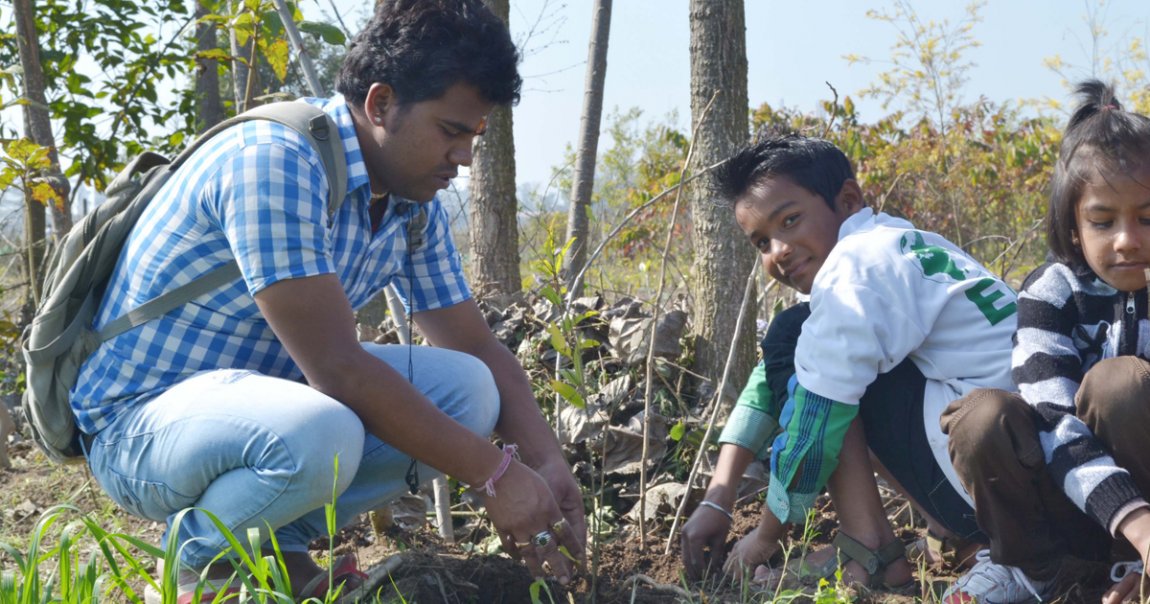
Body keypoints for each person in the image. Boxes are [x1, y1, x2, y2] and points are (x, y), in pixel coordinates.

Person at [70, 1, 586, 601]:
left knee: (470, 389)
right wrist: (495, 475)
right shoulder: (278, 158)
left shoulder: (411, 206)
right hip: (138, 425)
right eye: (451, 131)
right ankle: (203, 560)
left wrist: (547, 464)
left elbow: (473, 344)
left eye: (475, 136)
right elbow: (336, 368)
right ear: (380, 103)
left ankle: (274, 542)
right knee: (321, 430)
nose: (465, 158)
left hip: (260, 411)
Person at [679, 134, 1018, 593]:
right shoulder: (895, 242)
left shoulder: (852, 274)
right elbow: (774, 377)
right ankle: (940, 532)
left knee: (801, 352)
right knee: (800, 340)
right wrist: (720, 497)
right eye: (761, 242)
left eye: (790, 220)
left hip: (998, 491)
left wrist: (762, 539)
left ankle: (871, 548)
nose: (777, 251)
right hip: (1035, 475)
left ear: (849, 199)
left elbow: (811, 434)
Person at [942, 80, 1150, 604]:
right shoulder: (1050, 292)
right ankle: (1033, 573)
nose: (1128, 239)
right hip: (1068, 506)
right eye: (1103, 221)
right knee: (982, 417)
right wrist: (1137, 521)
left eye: (1148, 217)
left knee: (1119, 386)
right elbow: (1055, 418)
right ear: (1075, 230)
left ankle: (1131, 572)